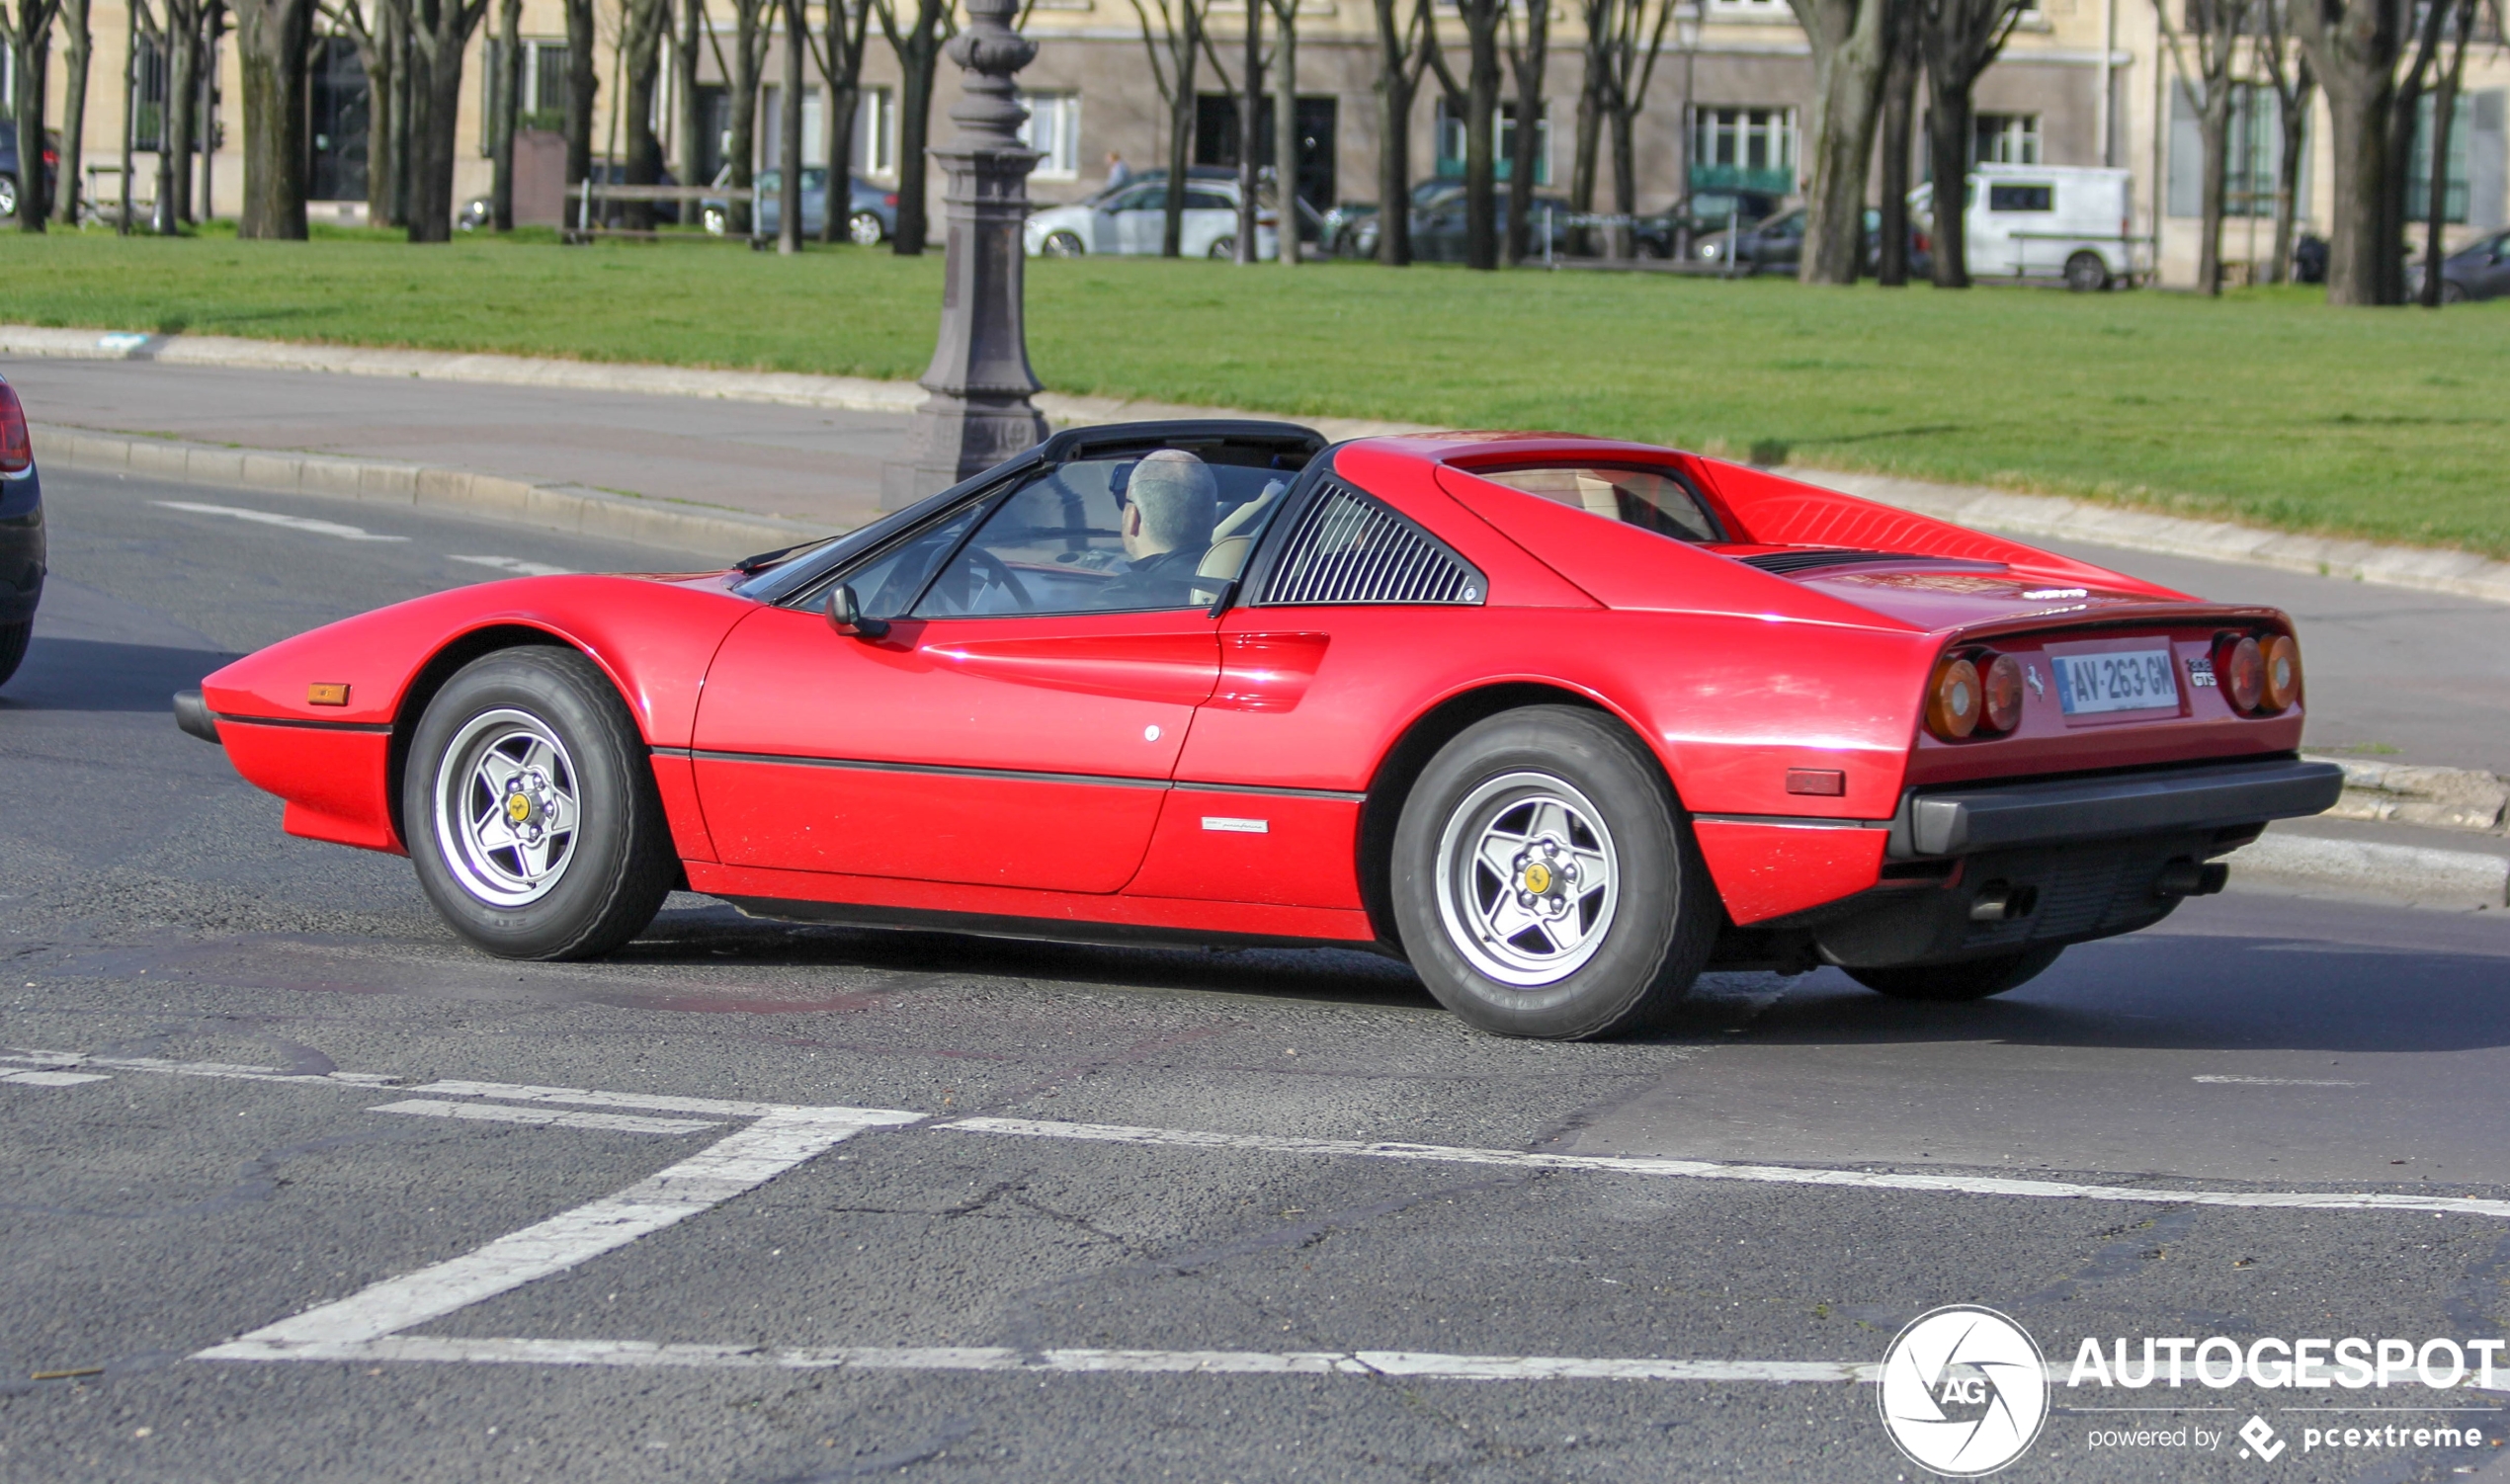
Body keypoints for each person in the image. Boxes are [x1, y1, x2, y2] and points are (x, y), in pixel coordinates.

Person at [1100, 450, 1216, 607]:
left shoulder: (1120, 598)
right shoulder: (1245, 578)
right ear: (1213, 518)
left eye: (1126, 503)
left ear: (1133, 518)